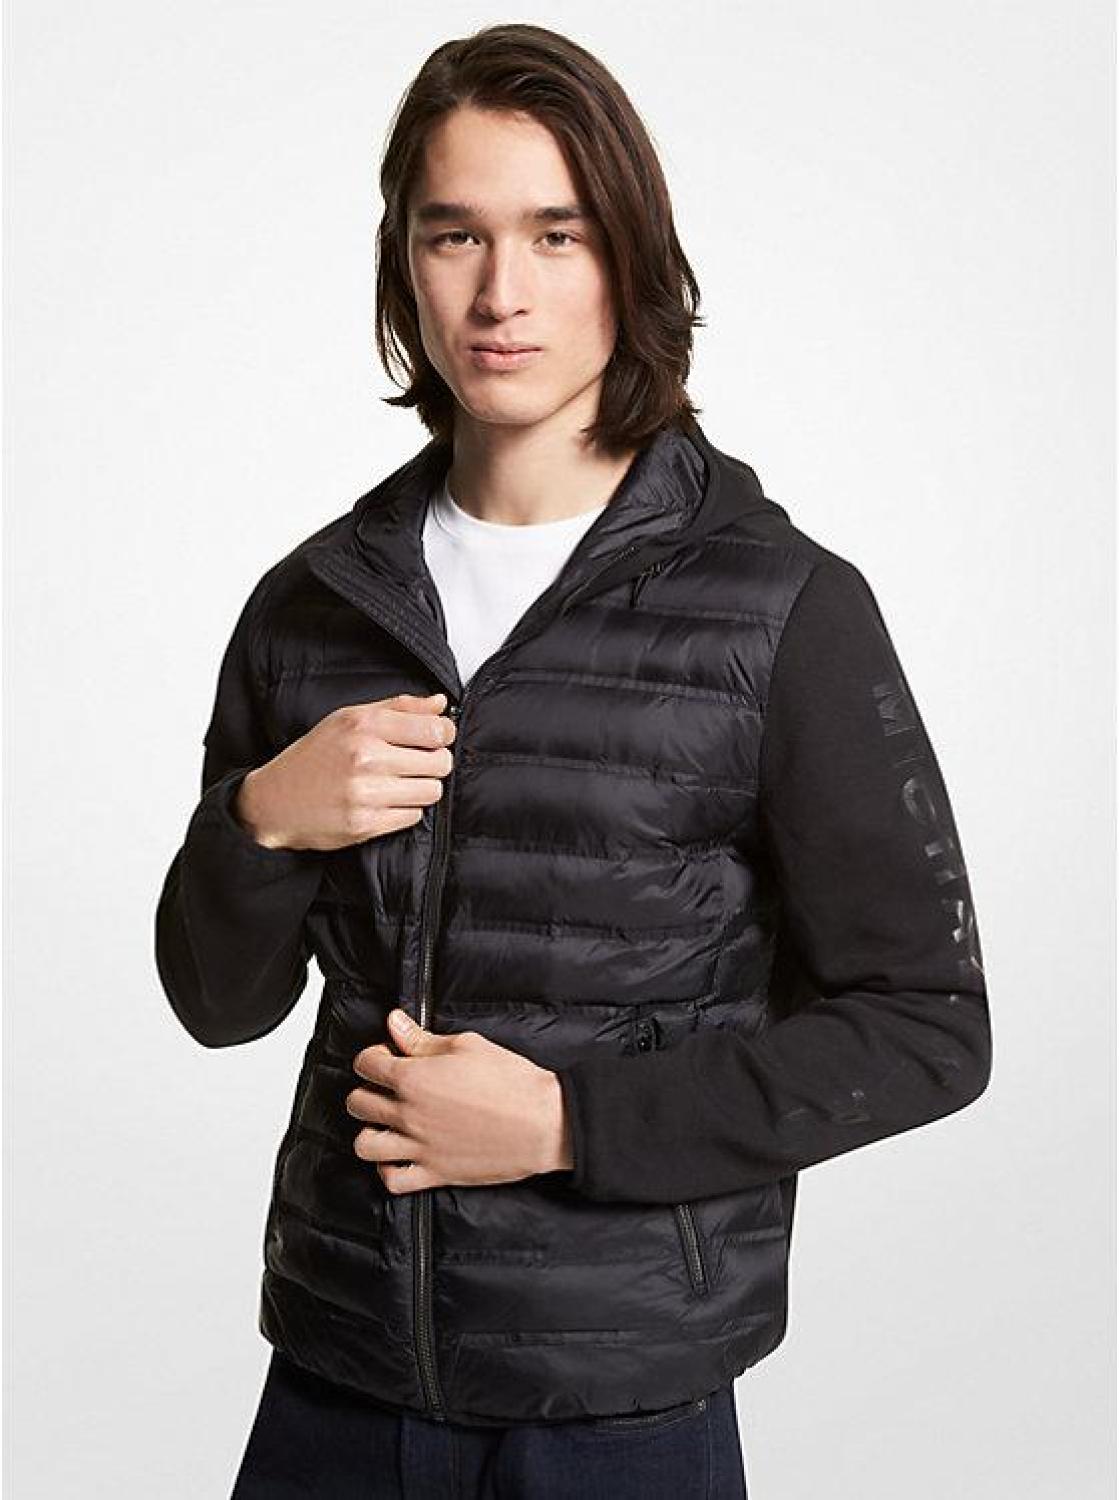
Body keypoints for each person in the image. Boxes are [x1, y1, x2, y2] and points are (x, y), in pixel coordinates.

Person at [154, 21, 993, 1499]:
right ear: (404, 265)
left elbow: (926, 1027)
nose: (502, 293)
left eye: (558, 233)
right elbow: (218, 1005)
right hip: (337, 1380)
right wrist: (260, 823)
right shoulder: (313, 606)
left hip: (624, 1415)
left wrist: (564, 1124)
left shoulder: (783, 609)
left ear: (630, 259)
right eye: (455, 235)